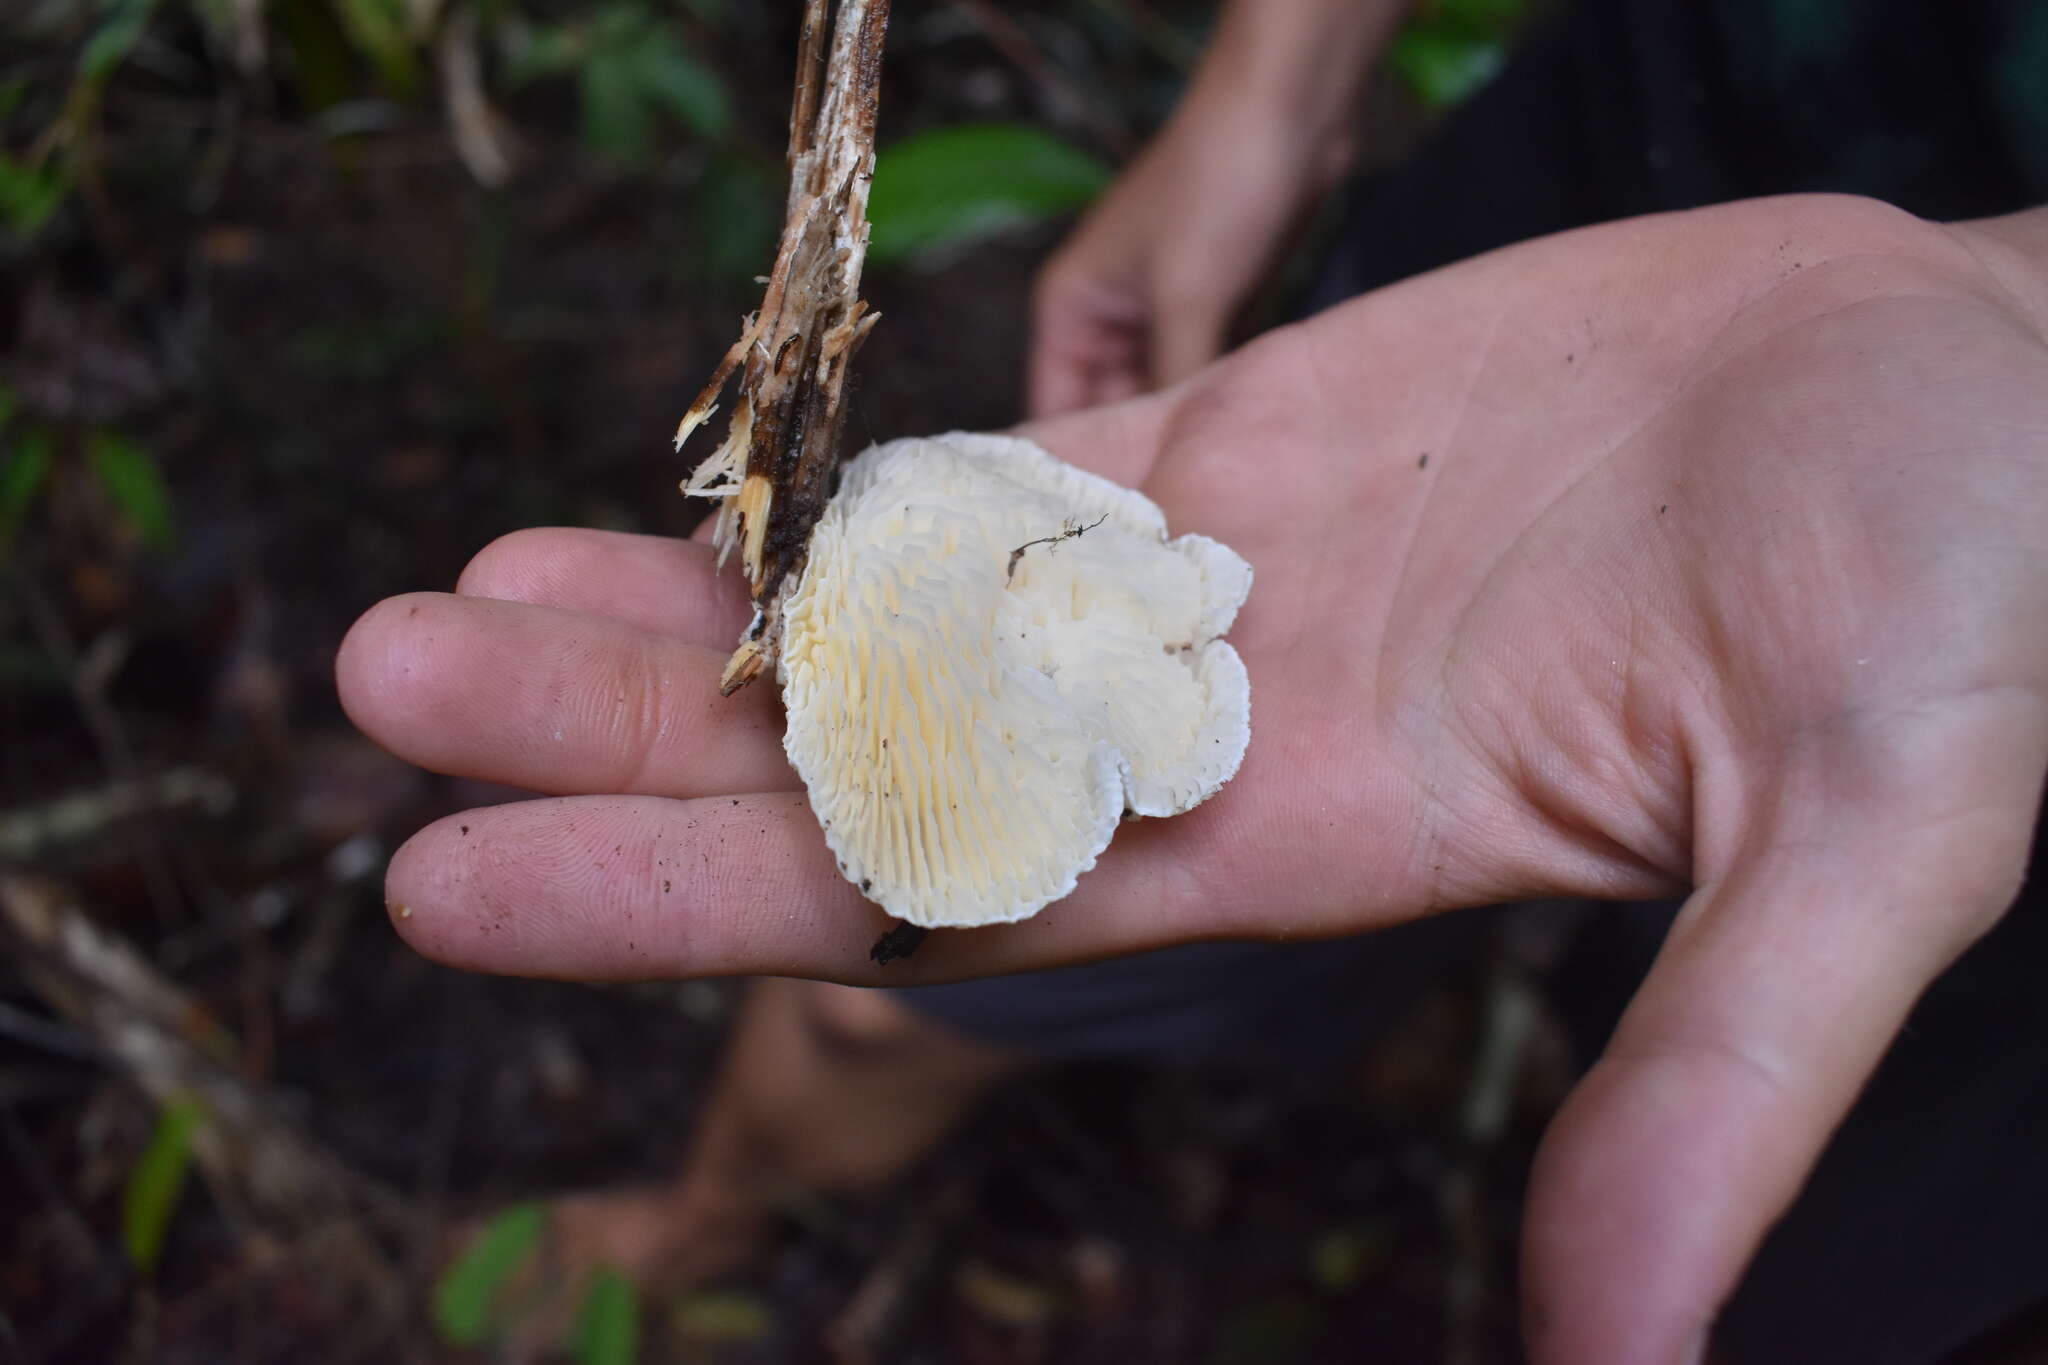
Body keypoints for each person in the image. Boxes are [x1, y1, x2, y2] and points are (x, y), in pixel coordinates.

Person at [336, 3, 2048, 1361]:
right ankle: (714, 1213)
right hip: (1596, 209)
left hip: (1944, 478)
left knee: (1792, 1263)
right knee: (897, 989)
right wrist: (1277, 73)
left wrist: (2009, 312)